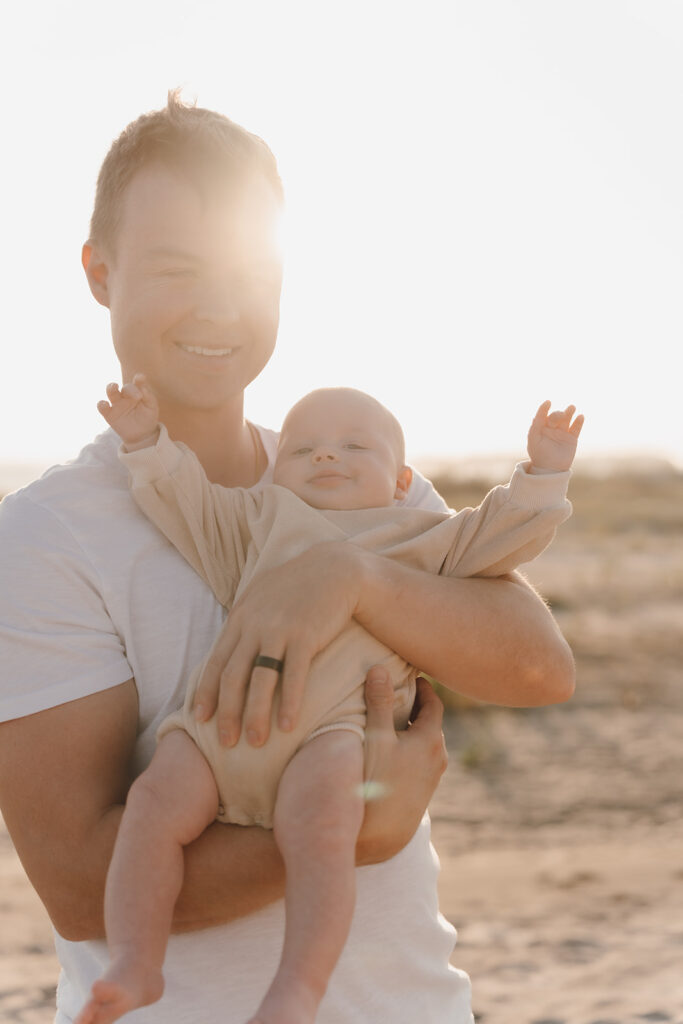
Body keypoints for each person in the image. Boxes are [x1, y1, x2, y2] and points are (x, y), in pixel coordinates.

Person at [0, 92, 576, 1024]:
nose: (219, 308)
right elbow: (75, 880)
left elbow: (536, 665)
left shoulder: (356, 479)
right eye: (176, 268)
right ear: (99, 273)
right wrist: (355, 831)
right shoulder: (42, 537)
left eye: (247, 272)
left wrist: (347, 578)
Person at [75, 376, 582, 1024]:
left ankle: (295, 992)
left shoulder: (424, 535)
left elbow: (501, 532)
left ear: (402, 480)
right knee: (149, 809)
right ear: (274, 473)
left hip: (331, 735)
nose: (324, 456)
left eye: (353, 446)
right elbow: (186, 502)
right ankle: (136, 964)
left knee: (320, 834)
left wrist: (542, 471)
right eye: (302, 448)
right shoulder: (256, 520)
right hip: (216, 731)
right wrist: (146, 441)